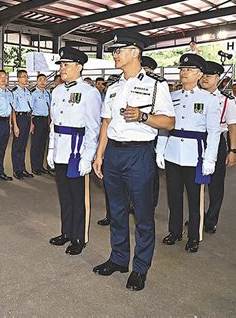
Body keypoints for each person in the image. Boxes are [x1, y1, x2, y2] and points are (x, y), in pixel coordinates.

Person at [92, 29, 175, 291]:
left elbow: (169, 122)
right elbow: (106, 121)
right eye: (114, 51)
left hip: (139, 154)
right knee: (116, 211)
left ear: (135, 52)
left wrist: (142, 116)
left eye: (120, 50)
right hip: (114, 153)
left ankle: (140, 268)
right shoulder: (114, 87)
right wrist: (99, 153)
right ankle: (118, 259)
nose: (115, 55)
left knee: (142, 214)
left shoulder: (156, 85)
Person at [156, 54, 221, 253]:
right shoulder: (172, 97)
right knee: (174, 196)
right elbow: (165, 127)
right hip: (173, 154)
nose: (184, 72)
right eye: (182, 69)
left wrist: (210, 159)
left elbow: (214, 131)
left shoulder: (209, 100)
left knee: (195, 199)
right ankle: (174, 231)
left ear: (199, 74)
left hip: (196, 156)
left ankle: (194, 235)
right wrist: (160, 150)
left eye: (190, 69)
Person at [48, 46, 101, 256]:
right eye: (61, 64)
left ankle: (79, 237)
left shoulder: (90, 93)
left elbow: (93, 128)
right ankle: (66, 232)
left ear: (79, 67)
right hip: (61, 150)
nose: (62, 68)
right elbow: (53, 124)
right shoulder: (57, 90)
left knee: (79, 197)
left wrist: (87, 157)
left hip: (77, 152)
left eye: (66, 65)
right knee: (64, 195)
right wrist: (51, 151)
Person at [199, 61, 236, 233]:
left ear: (217, 78)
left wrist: (232, 150)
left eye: (209, 75)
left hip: (216, 142)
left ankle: (211, 220)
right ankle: (197, 217)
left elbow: (232, 126)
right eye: (203, 75)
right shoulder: (194, 96)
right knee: (195, 184)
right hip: (197, 142)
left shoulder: (225, 100)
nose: (205, 78)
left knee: (215, 186)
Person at [11, 69, 34, 180]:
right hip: (19, 118)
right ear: (18, 78)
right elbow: (13, 110)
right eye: (23, 76)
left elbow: (30, 109)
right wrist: (15, 125)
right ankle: (17, 170)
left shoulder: (28, 92)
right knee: (17, 146)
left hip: (27, 118)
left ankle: (23, 168)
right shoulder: (15, 92)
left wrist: (31, 123)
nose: (26, 79)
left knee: (24, 145)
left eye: (26, 76)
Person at [30, 73, 51, 175]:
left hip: (45, 121)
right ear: (37, 81)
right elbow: (30, 109)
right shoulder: (33, 93)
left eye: (44, 80)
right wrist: (31, 123)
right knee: (35, 144)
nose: (43, 82)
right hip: (36, 120)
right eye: (40, 80)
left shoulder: (47, 93)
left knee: (43, 144)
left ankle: (40, 165)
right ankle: (35, 167)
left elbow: (49, 108)